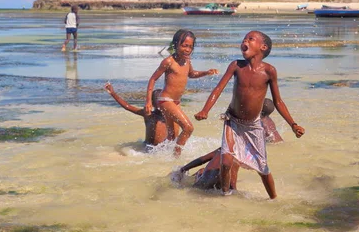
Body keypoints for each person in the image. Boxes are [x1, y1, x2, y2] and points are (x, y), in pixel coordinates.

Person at [194, 30, 305, 198]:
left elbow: (278, 102)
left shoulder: (269, 71)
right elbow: (218, 89)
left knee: (262, 168)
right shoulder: (236, 65)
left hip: (253, 125)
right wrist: (205, 110)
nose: (245, 41)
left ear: (263, 47)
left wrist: (293, 124)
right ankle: (226, 194)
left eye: (250, 39)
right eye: (244, 39)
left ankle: (274, 199)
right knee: (226, 160)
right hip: (232, 120)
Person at [175, 98, 283, 191]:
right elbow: (232, 184)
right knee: (226, 179)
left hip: (198, 186)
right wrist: (229, 194)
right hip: (208, 190)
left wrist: (183, 169)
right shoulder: (238, 156)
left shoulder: (224, 149)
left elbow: (202, 159)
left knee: (201, 171)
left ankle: (184, 181)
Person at [145, 29, 219, 157]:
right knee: (188, 128)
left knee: (172, 136)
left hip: (176, 102)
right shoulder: (168, 61)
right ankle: (176, 156)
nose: (187, 49)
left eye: (190, 47)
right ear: (175, 45)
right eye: (184, 45)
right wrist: (148, 101)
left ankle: (158, 155)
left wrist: (206, 72)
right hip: (165, 100)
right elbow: (153, 79)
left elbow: (192, 74)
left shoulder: (187, 61)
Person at [104, 82, 176, 147]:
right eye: (159, 101)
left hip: (160, 150)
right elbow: (127, 107)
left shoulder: (169, 117)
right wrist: (113, 93)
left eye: (163, 101)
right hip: (147, 148)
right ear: (152, 103)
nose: (161, 103)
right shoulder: (148, 115)